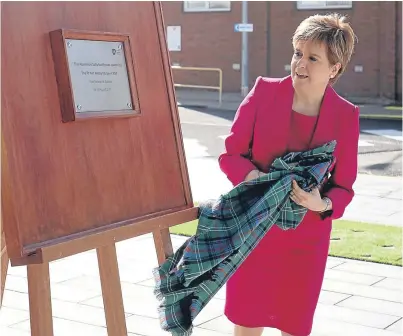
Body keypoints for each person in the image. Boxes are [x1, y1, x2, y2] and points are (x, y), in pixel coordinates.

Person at [218, 13, 359, 336]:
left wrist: (320, 203)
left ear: (334, 68)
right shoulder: (264, 93)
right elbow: (231, 154)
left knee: (294, 325)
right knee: (247, 319)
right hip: (254, 232)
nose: (300, 64)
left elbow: (344, 188)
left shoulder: (346, 116)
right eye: (298, 53)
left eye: (312, 58)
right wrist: (254, 179)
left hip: (305, 243)